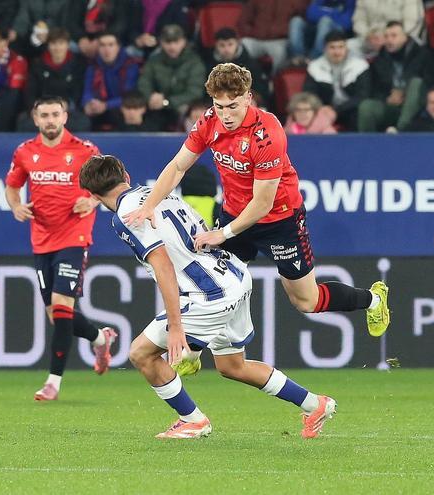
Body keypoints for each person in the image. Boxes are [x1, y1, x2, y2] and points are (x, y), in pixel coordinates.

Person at [123, 63, 390, 373]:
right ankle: (193, 352)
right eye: (219, 106)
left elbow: (262, 203)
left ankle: (373, 299)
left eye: (232, 106)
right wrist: (149, 206)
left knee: (306, 301)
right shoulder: (209, 122)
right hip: (235, 214)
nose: (225, 113)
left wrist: (221, 235)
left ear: (248, 98)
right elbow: (179, 166)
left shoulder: (267, 133)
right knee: (212, 283)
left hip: (280, 221)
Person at [79, 154, 337, 440]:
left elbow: (162, 265)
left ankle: (192, 420)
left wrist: (176, 327)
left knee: (141, 354)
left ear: (91, 195)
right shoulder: (155, 192)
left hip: (208, 294)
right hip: (234, 276)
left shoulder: (126, 217)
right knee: (232, 366)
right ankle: (315, 404)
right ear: (126, 176)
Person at [5, 97, 117, 401]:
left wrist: (92, 200)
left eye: (55, 114)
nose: (50, 120)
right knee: (58, 315)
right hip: (41, 238)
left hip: (74, 236)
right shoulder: (26, 151)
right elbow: (12, 185)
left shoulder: (84, 150)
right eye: (45, 115)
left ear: (65, 116)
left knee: (62, 306)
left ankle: (53, 381)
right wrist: (15, 206)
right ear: (35, 118)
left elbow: (114, 182)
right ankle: (99, 337)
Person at [302, 30, 368, 130]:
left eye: (341, 47)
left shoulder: (359, 66)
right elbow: (309, 93)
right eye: (332, 47)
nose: (337, 52)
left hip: (350, 109)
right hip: (324, 110)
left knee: (359, 114)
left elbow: (362, 96)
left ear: (347, 48)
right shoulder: (315, 67)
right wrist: (321, 108)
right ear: (325, 49)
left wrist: (337, 110)